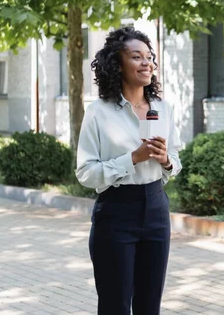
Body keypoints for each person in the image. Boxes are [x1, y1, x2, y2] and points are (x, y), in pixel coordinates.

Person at [76, 27, 182, 315]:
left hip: (156, 208)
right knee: (115, 306)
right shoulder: (99, 112)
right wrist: (131, 159)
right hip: (115, 213)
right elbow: (86, 173)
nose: (146, 63)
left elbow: (176, 157)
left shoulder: (164, 108)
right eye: (137, 57)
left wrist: (166, 160)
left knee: (150, 306)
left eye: (149, 57)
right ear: (117, 64)